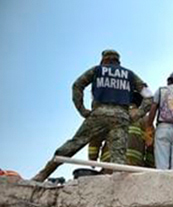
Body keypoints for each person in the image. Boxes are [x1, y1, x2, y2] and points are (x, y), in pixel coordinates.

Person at [32, 50, 152, 181]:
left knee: (74, 144)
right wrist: (136, 115)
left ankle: (43, 174)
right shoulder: (129, 75)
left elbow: (77, 85)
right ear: (118, 62)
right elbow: (149, 96)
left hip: (98, 115)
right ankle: (119, 185)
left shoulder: (96, 70)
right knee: (119, 158)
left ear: (103, 60)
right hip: (121, 118)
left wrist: (82, 110)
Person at [89, 91, 152, 167]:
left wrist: (92, 159)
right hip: (134, 167)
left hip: (109, 165)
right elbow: (151, 145)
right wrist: (149, 166)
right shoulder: (145, 119)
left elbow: (95, 139)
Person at [146, 71, 173, 169]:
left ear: (169, 81)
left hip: (163, 128)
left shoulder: (161, 90)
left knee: (162, 165)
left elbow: (153, 109)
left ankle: (162, 184)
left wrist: (149, 127)